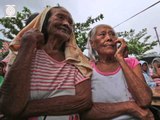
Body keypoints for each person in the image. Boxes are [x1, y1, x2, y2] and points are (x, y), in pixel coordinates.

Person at [0, 6, 92, 120]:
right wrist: (28, 44)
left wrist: (21, 110)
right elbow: (10, 103)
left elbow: (83, 101)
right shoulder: (24, 54)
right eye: (60, 17)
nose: (67, 24)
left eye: (70, 23)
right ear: (44, 21)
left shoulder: (76, 61)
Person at [80, 24, 153, 120]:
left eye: (112, 34)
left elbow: (145, 100)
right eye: (102, 34)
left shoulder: (131, 62)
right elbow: (85, 114)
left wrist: (120, 59)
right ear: (92, 43)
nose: (109, 38)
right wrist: (130, 106)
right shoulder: (87, 69)